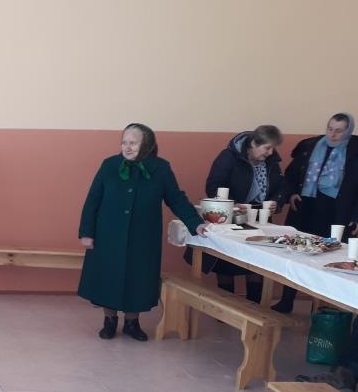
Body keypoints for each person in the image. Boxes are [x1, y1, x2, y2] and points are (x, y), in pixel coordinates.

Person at [78, 123, 208, 341]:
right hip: (108, 234)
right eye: (124, 142)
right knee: (107, 277)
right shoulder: (109, 165)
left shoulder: (161, 168)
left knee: (137, 278)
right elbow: (93, 200)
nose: (127, 147)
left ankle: (132, 323)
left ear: (147, 144)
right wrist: (86, 232)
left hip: (143, 236)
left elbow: (176, 199)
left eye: (133, 143)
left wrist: (195, 223)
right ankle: (109, 321)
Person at [274, 113, 358, 312]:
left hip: (337, 213)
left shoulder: (355, 152)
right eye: (330, 129)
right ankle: (287, 300)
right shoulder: (310, 146)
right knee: (296, 251)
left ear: (348, 131)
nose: (332, 134)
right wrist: (291, 193)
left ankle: (320, 308)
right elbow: (291, 175)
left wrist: (356, 216)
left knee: (329, 256)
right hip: (305, 207)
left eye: (338, 131)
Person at [194, 125, 285, 302]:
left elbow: (281, 186)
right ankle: (225, 306)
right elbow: (213, 186)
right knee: (226, 264)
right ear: (254, 143)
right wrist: (233, 205)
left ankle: (254, 307)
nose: (270, 152)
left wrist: (277, 201)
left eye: (273, 148)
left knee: (257, 262)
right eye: (267, 148)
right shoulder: (229, 157)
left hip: (260, 217)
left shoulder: (271, 161)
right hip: (231, 217)